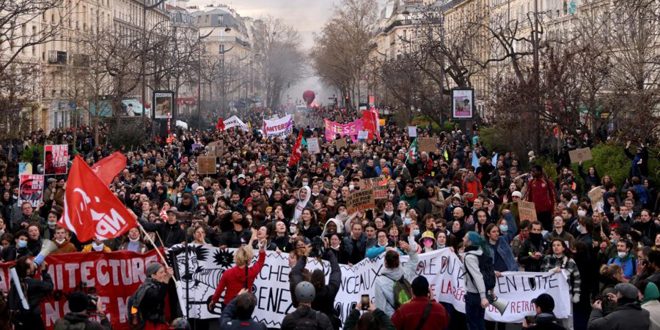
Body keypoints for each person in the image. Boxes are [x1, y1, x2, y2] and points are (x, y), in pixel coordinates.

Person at [210, 232, 266, 309]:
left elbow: (219, 290)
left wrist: (213, 301)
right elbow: (260, 261)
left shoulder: (227, 273)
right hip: (245, 306)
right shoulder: (252, 272)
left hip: (229, 305)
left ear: (236, 257)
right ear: (249, 259)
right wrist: (262, 249)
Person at [374, 233, 419, 317]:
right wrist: (409, 249)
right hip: (408, 315)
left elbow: (380, 307)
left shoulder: (379, 281)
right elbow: (415, 260)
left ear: (385, 262)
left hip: (393, 319)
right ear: (398, 260)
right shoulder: (405, 273)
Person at [8, 256, 54, 330]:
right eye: (31, 264)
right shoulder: (33, 283)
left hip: (20, 322)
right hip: (34, 322)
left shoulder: (15, 283)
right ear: (28, 271)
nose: (34, 264)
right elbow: (49, 286)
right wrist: (44, 272)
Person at [130, 262, 175, 330]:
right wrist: (166, 279)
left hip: (159, 323)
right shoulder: (147, 289)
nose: (164, 274)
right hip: (150, 325)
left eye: (164, 272)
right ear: (153, 275)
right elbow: (158, 297)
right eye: (161, 272)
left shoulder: (158, 285)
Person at [462, 231, 492, 330]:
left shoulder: (469, 257)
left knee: (473, 324)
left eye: (465, 238)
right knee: (480, 322)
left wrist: (483, 296)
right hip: (482, 294)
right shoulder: (482, 254)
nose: (463, 239)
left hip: (474, 295)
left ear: (470, 242)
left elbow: (477, 276)